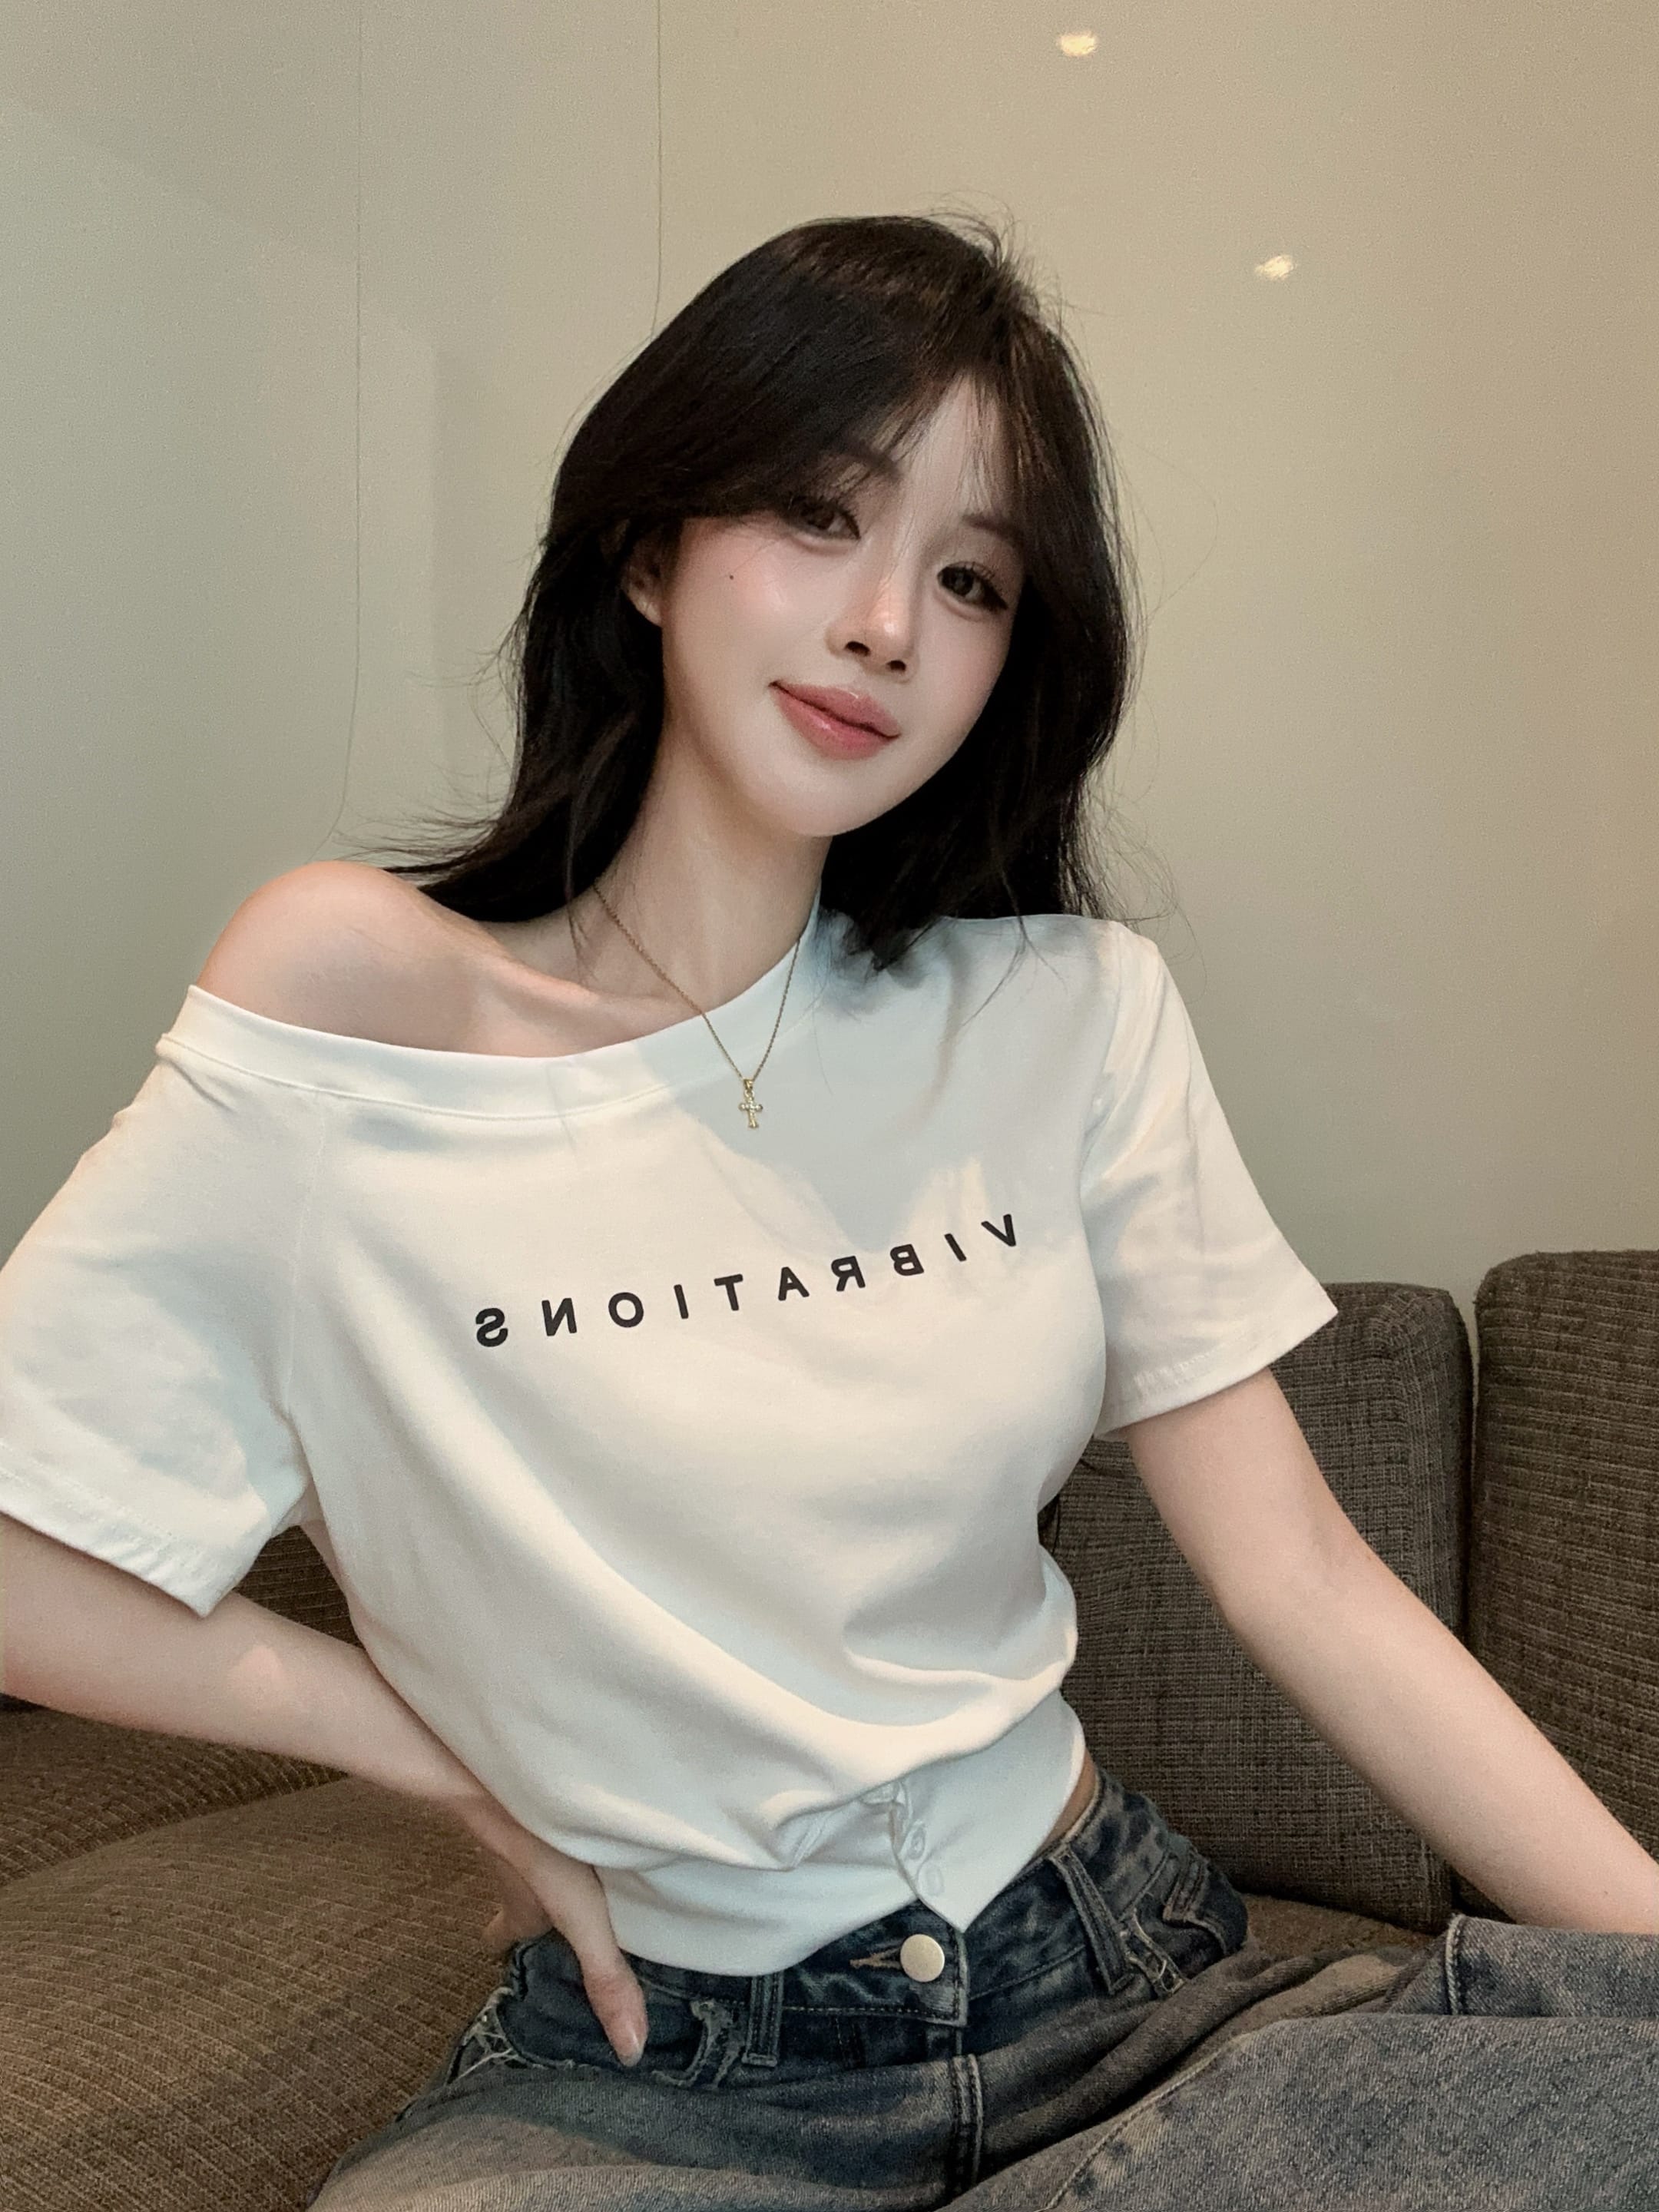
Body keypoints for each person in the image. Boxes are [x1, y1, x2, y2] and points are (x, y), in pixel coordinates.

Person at [2, 213, 1657, 2211]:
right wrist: (417, 1741)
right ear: (648, 547)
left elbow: (1303, 1576)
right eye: (819, 515)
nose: (887, 623)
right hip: (667, 2087)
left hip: (1129, 1990)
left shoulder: (1067, 1013)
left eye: (970, 579)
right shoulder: (363, 1002)